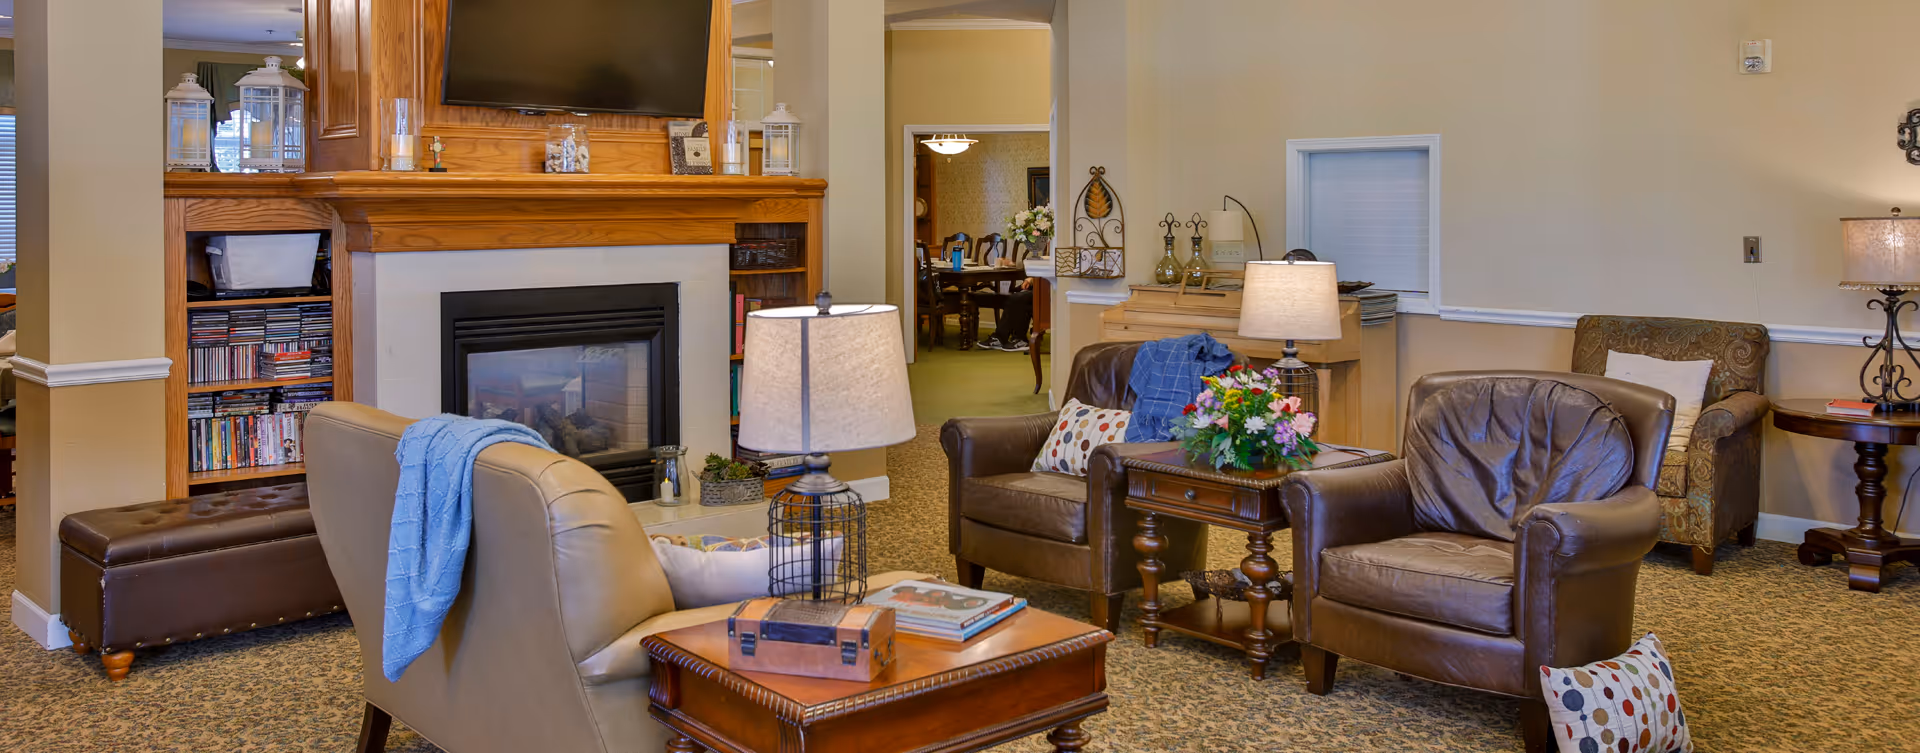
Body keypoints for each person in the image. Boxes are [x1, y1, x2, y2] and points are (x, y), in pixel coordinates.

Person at [977, 287, 1032, 352]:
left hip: (1044, 291)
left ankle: (1020, 340)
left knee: (1018, 298)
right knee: (1014, 297)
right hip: (1038, 287)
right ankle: (1001, 338)